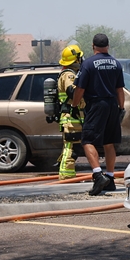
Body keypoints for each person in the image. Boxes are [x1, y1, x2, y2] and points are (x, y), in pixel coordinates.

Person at [71, 33, 125, 195]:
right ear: (107, 46)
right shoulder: (116, 64)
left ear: (93, 46)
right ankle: (110, 178)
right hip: (112, 105)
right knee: (109, 142)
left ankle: (97, 174)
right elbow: (119, 89)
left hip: (96, 105)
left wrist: (74, 104)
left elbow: (80, 88)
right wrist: (121, 108)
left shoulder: (88, 64)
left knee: (87, 140)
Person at [56, 44, 85, 180]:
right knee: (72, 148)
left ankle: (65, 174)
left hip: (71, 117)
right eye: (80, 57)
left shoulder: (70, 73)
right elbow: (72, 92)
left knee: (69, 146)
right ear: (76, 59)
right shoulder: (68, 75)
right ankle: (67, 177)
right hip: (71, 117)